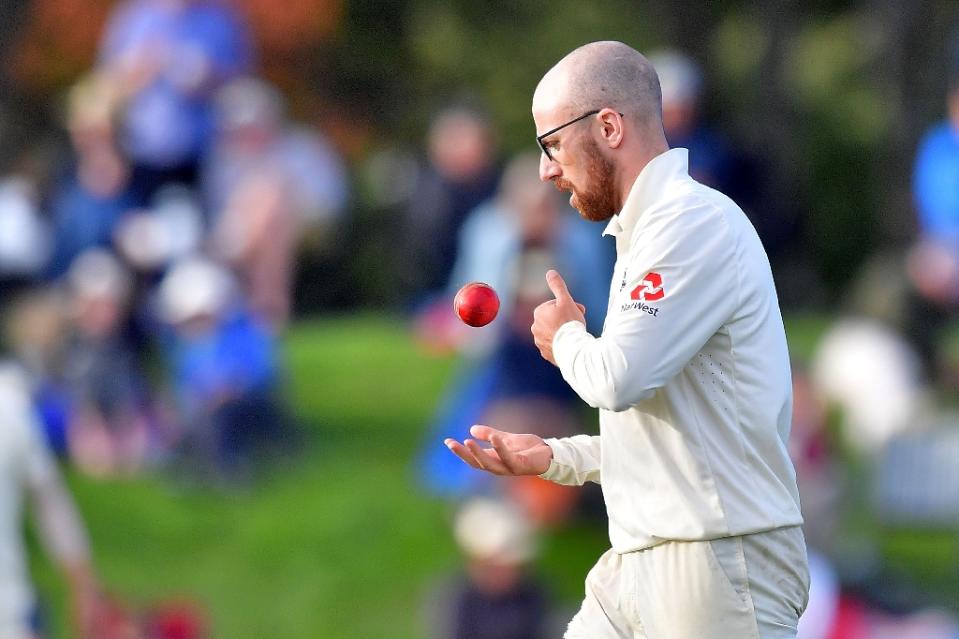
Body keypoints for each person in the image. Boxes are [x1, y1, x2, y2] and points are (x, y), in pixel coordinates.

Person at [444, 41, 809, 638]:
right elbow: (671, 434)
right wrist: (555, 456)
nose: (544, 169)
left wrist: (564, 337)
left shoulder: (692, 223)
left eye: (551, 144)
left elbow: (617, 379)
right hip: (643, 558)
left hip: (720, 560)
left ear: (608, 126)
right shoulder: (645, 234)